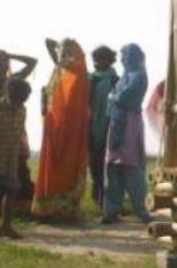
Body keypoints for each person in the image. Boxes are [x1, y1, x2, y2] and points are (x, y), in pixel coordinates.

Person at [32, 39, 90, 220]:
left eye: (67, 51)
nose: (63, 54)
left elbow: (62, 59)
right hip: (55, 124)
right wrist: (59, 45)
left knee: (68, 165)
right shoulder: (62, 70)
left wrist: (60, 46)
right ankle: (48, 209)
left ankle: (66, 210)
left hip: (71, 128)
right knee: (52, 164)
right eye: (63, 51)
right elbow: (49, 44)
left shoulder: (78, 69)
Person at [102, 44, 150, 224]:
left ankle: (141, 209)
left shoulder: (138, 76)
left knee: (131, 168)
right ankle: (111, 211)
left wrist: (112, 97)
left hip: (129, 124)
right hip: (117, 122)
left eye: (124, 56)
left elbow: (121, 97)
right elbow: (115, 96)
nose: (122, 60)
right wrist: (113, 97)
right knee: (113, 168)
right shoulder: (125, 76)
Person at [0, 51, 37, 214]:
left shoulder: (14, 80)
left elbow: (32, 61)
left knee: (15, 179)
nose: (3, 63)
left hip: (14, 133)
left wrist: (11, 55)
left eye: (4, 61)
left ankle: (12, 218)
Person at [0, 79, 31, 239]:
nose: (20, 102)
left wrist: (24, 148)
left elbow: (20, 131)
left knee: (11, 191)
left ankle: (7, 226)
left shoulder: (22, 110)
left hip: (12, 158)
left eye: (24, 98)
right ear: (9, 94)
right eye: (18, 98)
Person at [88, 46, 119, 209]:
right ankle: (97, 195)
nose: (96, 62)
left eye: (100, 59)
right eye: (95, 59)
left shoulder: (115, 80)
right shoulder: (91, 78)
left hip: (109, 125)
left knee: (106, 164)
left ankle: (105, 199)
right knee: (93, 163)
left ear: (108, 60)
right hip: (91, 126)